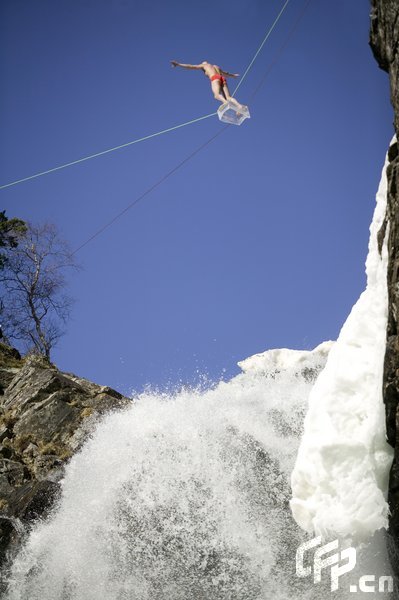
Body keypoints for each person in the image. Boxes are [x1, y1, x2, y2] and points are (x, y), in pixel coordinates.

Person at [171, 60, 243, 109]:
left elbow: (191, 66)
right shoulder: (215, 66)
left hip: (215, 78)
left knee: (216, 95)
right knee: (228, 97)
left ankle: (225, 103)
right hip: (222, 78)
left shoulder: (204, 65)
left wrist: (178, 64)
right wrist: (233, 75)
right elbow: (225, 74)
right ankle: (239, 106)